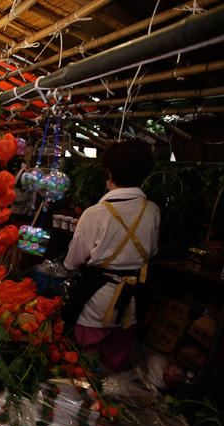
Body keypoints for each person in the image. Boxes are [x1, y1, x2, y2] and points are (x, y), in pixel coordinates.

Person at [63, 139, 160, 372]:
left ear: (108, 172)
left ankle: (83, 403)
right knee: (116, 362)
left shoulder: (95, 213)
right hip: (133, 301)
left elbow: (73, 260)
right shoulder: (152, 210)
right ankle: (106, 405)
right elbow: (152, 251)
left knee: (82, 363)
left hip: (98, 299)